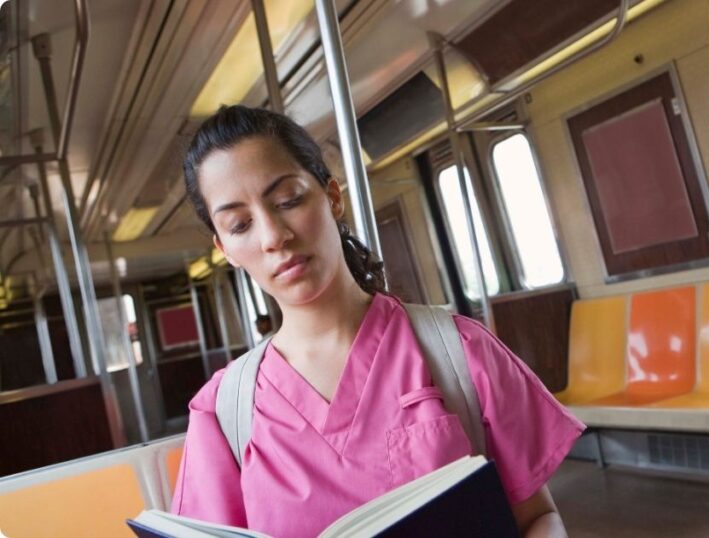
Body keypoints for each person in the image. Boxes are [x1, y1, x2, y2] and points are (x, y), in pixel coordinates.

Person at [172, 105, 584, 537]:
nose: (273, 236)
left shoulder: (458, 352)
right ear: (224, 249)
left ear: (332, 196)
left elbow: (538, 517)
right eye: (240, 225)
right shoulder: (224, 413)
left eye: (288, 200)